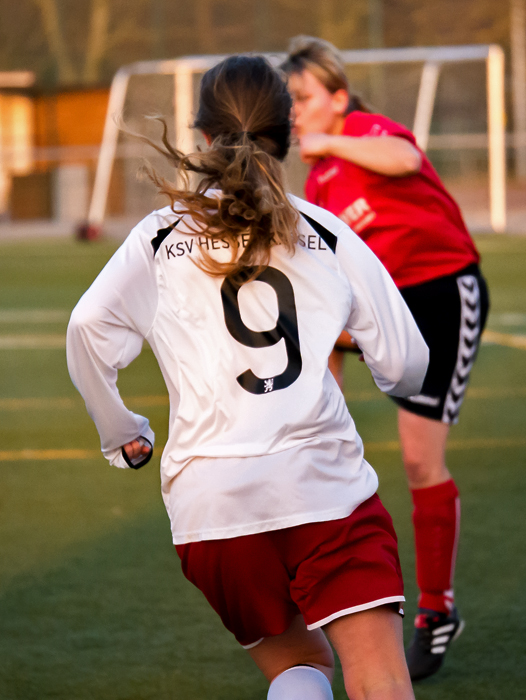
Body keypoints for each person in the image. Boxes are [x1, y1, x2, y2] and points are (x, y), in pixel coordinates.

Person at [67, 55, 429, 700]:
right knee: (379, 679)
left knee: (299, 669)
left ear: (202, 135)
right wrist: (382, 372)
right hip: (326, 488)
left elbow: (86, 330)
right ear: (287, 135)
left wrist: (120, 429)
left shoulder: (157, 237)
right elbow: (408, 364)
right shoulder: (323, 228)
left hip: (212, 505)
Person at [282, 36, 490, 682]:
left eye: (302, 97)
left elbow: (403, 157)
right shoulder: (317, 181)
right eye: (288, 101)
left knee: (420, 457)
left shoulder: (364, 130)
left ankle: (437, 610)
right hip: (386, 306)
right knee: (311, 433)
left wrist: (333, 140)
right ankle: (323, 593)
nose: (294, 111)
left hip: (442, 292)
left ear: (337, 98)